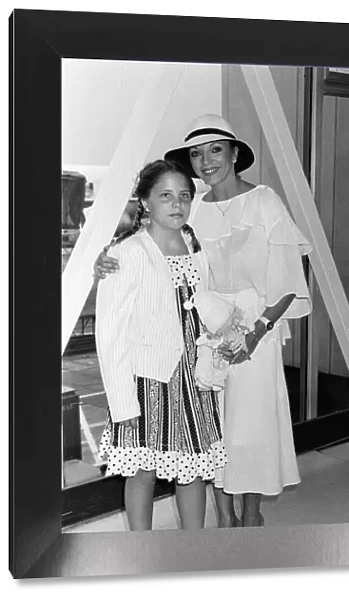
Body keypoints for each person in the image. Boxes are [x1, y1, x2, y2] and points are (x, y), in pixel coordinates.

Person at [95, 114, 312, 528]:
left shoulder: (264, 199)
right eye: (196, 153)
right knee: (211, 433)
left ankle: (250, 517)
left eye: (216, 149)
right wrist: (104, 257)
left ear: (234, 153)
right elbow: (151, 250)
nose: (207, 160)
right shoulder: (193, 216)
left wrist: (257, 330)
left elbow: (287, 277)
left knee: (250, 428)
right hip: (202, 341)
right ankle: (222, 519)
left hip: (254, 331)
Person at [95, 159, 227, 531]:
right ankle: (142, 553)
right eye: (165, 195)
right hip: (147, 380)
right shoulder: (128, 253)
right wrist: (123, 403)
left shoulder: (193, 245)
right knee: (142, 470)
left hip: (192, 378)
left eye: (184, 196)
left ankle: (192, 547)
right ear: (145, 202)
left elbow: (204, 305)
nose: (177, 204)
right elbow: (110, 334)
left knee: (193, 467)